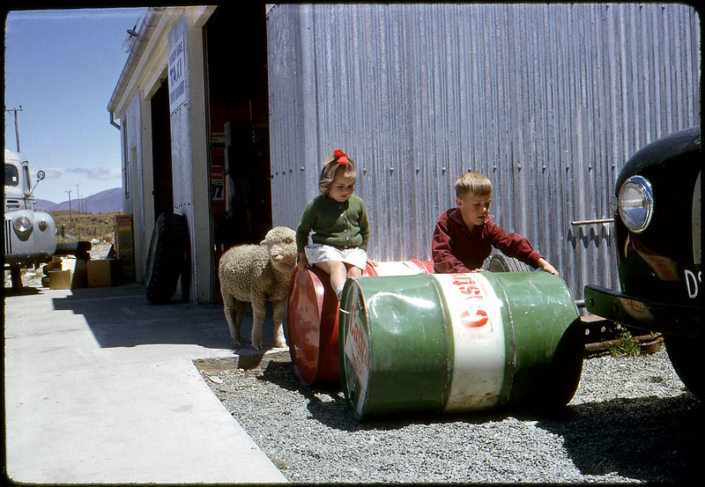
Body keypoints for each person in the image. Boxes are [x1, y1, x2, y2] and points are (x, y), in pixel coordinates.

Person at [432, 171, 559, 276]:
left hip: (475, 278)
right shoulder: (447, 222)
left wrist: (541, 262)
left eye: (487, 204)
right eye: (477, 204)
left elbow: (510, 243)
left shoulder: (487, 227)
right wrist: (466, 273)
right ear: (460, 203)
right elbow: (441, 255)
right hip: (447, 278)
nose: (484, 209)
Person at [296, 149, 375, 300]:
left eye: (350, 186)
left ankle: (356, 301)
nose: (346, 191)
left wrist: (363, 253)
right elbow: (302, 232)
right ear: (327, 184)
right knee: (338, 267)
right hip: (325, 250)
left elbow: (365, 230)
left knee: (354, 271)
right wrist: (302, 257)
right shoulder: (316, 206)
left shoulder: (357, 204)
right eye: (340, 186)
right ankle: (342, 295)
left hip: (351, 250)